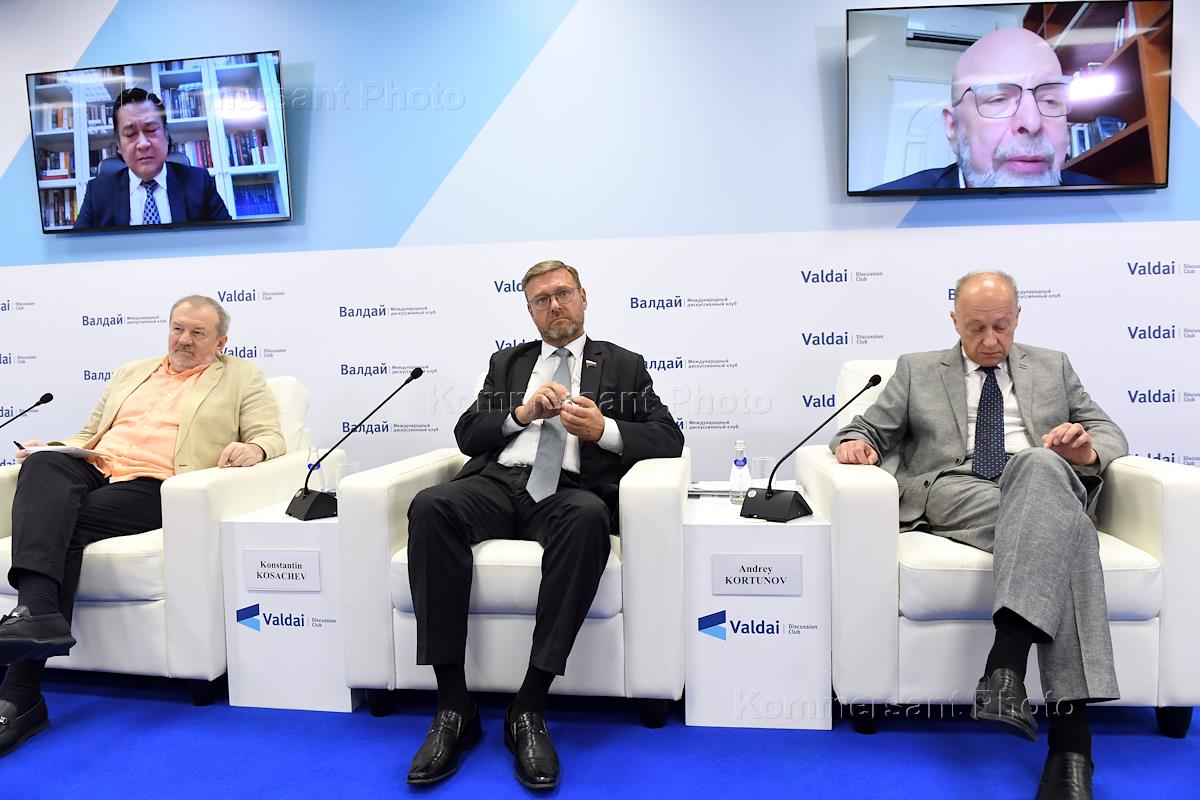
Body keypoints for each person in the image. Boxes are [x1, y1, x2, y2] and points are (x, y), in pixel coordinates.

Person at [832, 272, 1125, 800]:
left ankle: (1006, 671)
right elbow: (864, 428)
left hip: (1040, 482)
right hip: (956, 487)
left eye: (1001, 326)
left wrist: (1085, 450)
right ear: (954, 322)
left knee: (1041, 469)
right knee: (1071, 528)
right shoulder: (917, 369)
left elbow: (1108, 432)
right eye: (976, 328)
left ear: (1017, 318)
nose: (990, 341)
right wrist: (855, 443)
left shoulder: (1054, 365)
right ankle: (1071, 745)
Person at [404, 260, 684, 790]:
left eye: (563, 294)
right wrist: (519, 415)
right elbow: (468, 434)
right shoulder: (507, 363)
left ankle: (528, 707)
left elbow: (670, 438)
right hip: (498, 482)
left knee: (588, 518)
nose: (554, 306)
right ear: (530, 311)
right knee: (432, 505)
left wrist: (605, 430)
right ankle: (453, 706)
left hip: (568, 489)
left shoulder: (623, 365)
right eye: (541, 300)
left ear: (583, 296)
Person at [0, 295, 284, 755]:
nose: (184, 340)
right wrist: (52, 448)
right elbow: (89, 433)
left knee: (60, 526)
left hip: (157, 483)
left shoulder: (242, 376)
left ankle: (20, 685)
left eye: (198, 333)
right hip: (98, 468)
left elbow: (269, 435)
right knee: (43, 466)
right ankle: (37, 623)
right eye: (177, 328)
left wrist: (255, 449)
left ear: (221, 342)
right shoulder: (132, 371)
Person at [873, 27, 1105, 191]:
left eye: (1050, 100)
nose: (1032, 123)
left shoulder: (1108, 206)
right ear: (953, 126)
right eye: (998, 99)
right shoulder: (884, 216)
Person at [74, 88, 232, 228]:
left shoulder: (199, 182)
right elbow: (78, 247)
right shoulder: (98, 192)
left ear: (166, 135)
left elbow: (227, 239)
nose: (143, 144)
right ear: (118, 145)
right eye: (130, 134)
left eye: (151, 130)